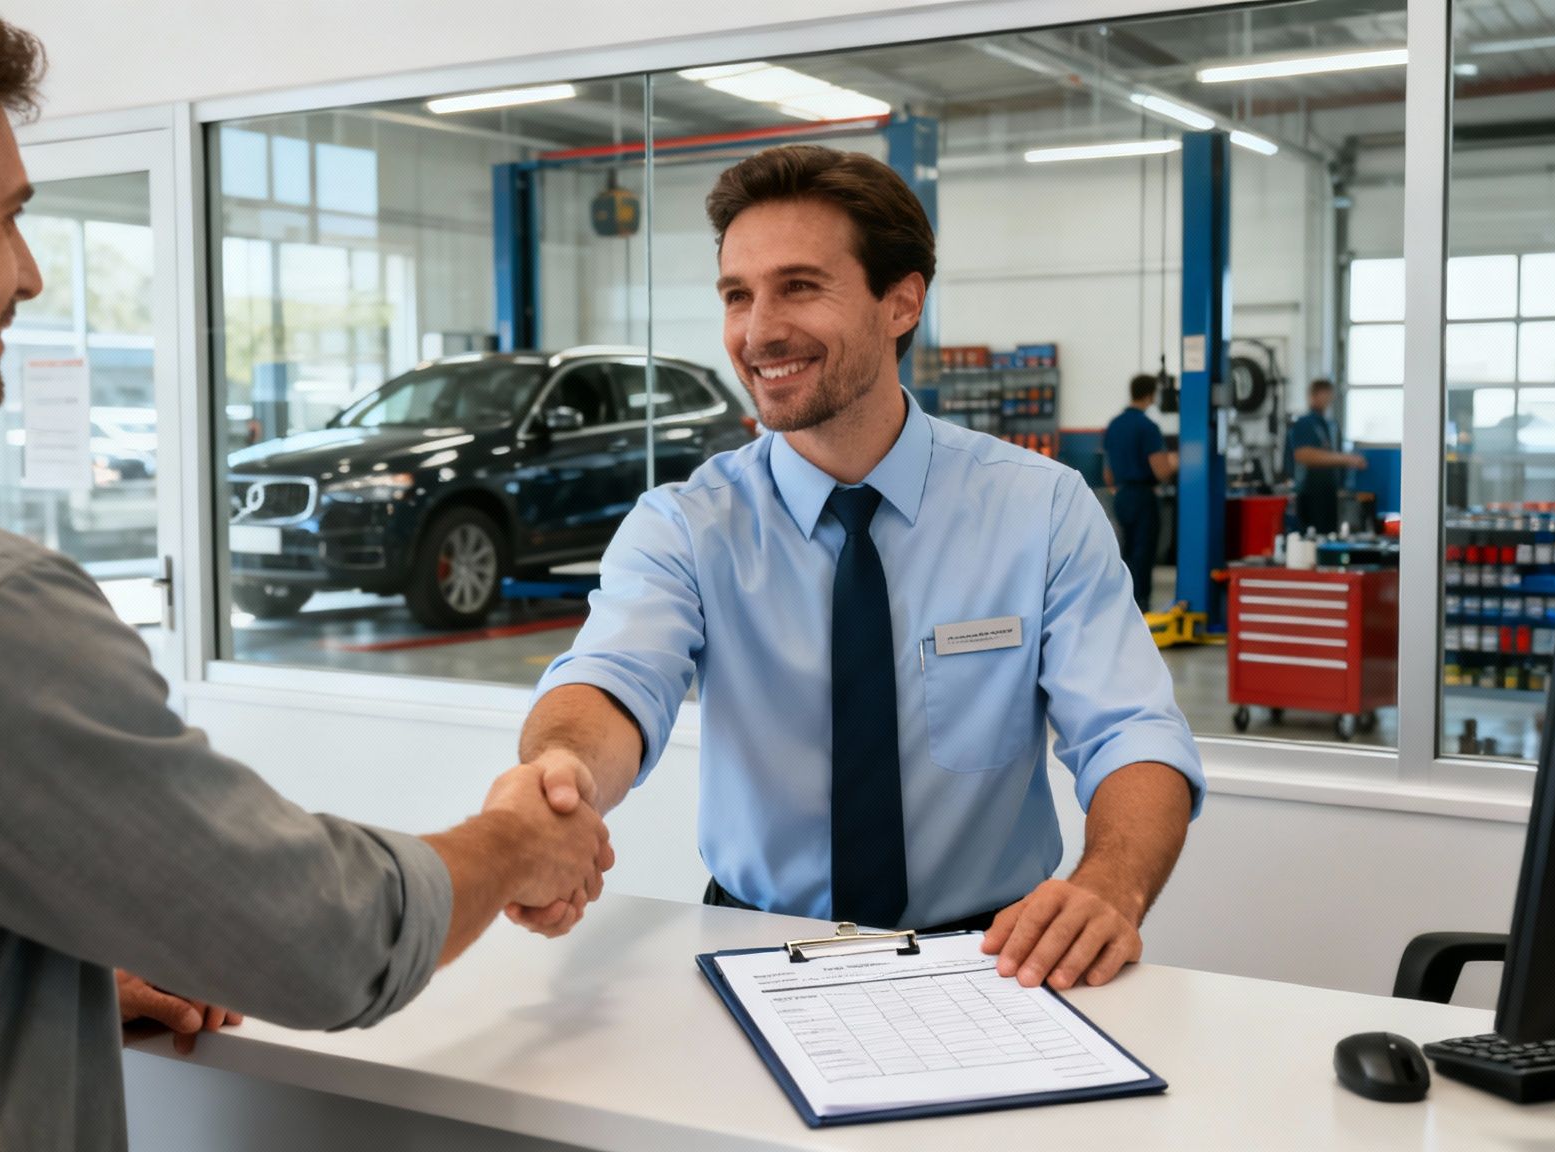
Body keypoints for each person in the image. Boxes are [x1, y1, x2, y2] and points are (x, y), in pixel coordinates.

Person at [0, 2, 611, 1148]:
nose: (28, 274)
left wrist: (35, 978)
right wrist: (514, 842)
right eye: (8, 218)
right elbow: (328, 942)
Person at [498, 145, 1203, 994]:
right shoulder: (686, 525)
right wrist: (563, 778)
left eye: (799, 286)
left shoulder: (1040, 510)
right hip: (758, 948)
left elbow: (1132, 733)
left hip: (997, 959)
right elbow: (612, 681)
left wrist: (1109, 886)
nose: (758, 331)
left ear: (901, 301)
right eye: (737, 295)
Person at [1102, 373, 1179, 612]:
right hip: (1143, 497)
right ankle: (1140, 606)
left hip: (1121, 497)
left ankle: (1123, 605)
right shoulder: (1148, 427)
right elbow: (1161, 471)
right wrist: (1176, 461)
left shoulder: (1114, 425)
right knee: (1143, 553)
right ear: (1150, 395)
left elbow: (1108, 474)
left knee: (1124, 553)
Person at [1289, 377, 1367, 535]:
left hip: (1330, 494)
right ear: (1312, 396)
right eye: (1322, 394)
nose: (1326, 399)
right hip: (1310, 495)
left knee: (1330, 534)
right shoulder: (1304, 423)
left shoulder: (1330, 425)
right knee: (1312, 537)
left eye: (1328, 394)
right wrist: (1346, 459)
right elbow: (1303, 455)